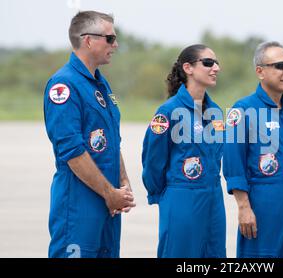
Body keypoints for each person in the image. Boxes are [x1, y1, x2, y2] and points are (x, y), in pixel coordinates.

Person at [43, 11, 135, 258]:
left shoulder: (100, 84)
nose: (115, 44)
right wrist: (110, 194)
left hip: (108, 201)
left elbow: (110, 141)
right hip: (79, 202)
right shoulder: (64, 85)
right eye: (110, 38)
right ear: (88, 40)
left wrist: (122, 183)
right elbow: (72, 151)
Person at [223, 41, 283, 258]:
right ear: (260, 71)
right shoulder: (243, 110)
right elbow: (234, 164)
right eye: (280, 66)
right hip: (263, 206)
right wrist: (244, 208)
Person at [142, 44, 226, 258]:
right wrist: (164, 195)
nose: (215, 67)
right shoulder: (168, 111)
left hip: (213, 198)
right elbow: (153, 160)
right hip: (182, 197)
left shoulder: (215, 112)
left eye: (216, 63)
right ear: (188, 68)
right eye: (208, 63)